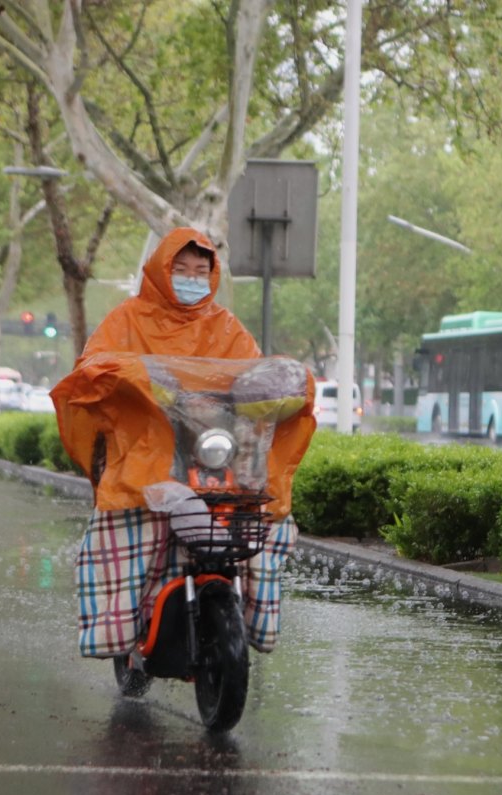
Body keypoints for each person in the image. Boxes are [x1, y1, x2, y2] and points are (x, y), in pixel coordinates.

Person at [51, 227, 316, 660]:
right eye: (181, 269)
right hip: (145, 447)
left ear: (212, 276)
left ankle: (253, 615)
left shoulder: (225, 325)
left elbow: (250, 373)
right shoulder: (127, 318)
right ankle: (118, 626)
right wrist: (126, 376)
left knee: (260, 514)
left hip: (211, 445)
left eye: (200, 270)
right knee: (132, 521)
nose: (191, 278)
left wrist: (277, 382)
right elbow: (94, 364)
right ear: (161, 270)